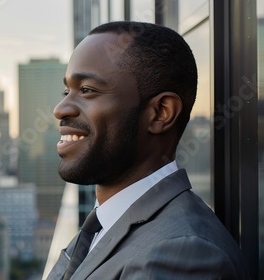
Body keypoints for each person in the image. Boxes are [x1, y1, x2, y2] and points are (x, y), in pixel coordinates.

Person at [47, 21, 249, 279]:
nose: (60, 108)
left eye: (87, 90)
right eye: (67, 90)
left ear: (161, 113)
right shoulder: (105, 224)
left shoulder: (183, 255)